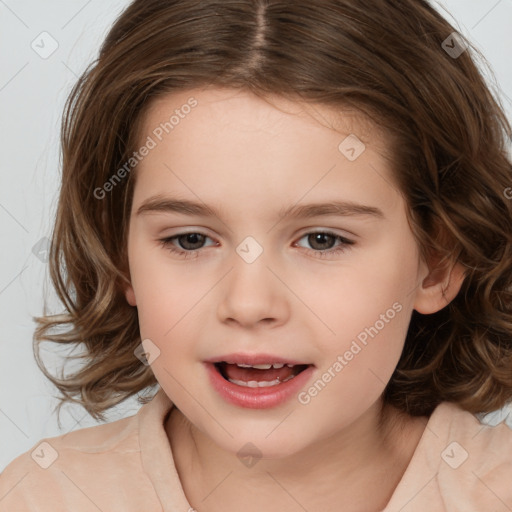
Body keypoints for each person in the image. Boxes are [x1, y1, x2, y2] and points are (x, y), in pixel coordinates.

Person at [1, 1, 512, 510]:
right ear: (120, 256)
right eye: (191, 240)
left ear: (438, 264)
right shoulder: (42, 495)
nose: (248, 304)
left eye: (322, 240)